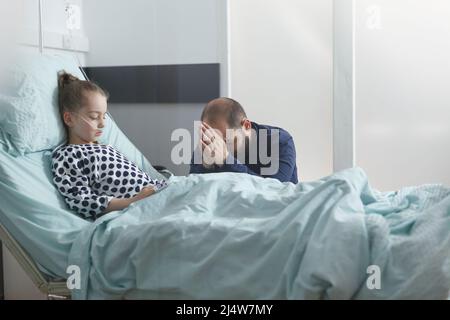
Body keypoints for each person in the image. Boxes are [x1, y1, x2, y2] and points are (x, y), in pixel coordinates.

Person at [51, 71, 167, 220]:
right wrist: (133, 201)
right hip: (141, 206)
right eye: (94, 117)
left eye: (104, 116)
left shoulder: (105, 147)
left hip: (159, 191)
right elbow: (82, 200)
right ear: (69, 119)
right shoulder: (68, 156)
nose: (102, 123)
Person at [190, 97, 298, 183]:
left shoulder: (280, 142)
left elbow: (275, 190)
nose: (219, 146)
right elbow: (195, 189)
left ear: (246, 126)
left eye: (228, 141)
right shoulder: (209, 144)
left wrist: (227, 160)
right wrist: (205, 166)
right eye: (214, 138)